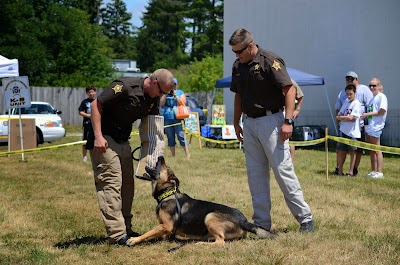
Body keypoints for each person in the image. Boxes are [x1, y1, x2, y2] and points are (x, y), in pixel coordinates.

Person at [229, 28, 314, 233]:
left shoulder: (270, 60)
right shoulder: (238, 66)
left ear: (250, 46)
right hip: (249, 124)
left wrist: (287, 121)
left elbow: (290, 89)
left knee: (283, 172)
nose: (236, 56)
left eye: (239, 52)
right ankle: (261, 224)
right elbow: (238, 95)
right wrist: (236, 122)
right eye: (234, 52)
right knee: (255, 175)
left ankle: (305, 219)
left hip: (272, 121)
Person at [89, 69, 174, 246]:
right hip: (104, 138)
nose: (162, 96)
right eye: (162, 92)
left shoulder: (153, 99)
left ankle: (126, 229)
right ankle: (117, 234)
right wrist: (98, 136)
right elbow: (96, 104)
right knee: (111, 183)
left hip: (122, 139)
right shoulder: (126, 86)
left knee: (127, 184)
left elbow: (153, 127)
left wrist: (153, 156)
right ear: (154, 82)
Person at [334, 71, 373, 176]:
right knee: (341, 149)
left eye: (352, 79)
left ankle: (353, 170)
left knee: (356, 150)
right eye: (348, 79)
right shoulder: (343, 94)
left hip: (359, 127)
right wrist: (339, 120)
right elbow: (339, 110)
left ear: (357, 79)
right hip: (344, 128)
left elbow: (369, 106)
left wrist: (368, 122)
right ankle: (339, 169)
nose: (349, 81)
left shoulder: (364, 90)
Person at [361, 78, 388, 179]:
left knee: (377, 149)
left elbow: (381, 111)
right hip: (369, 127)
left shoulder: (381, 97)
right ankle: (373, 171)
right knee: (371, 150)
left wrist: (367, 114)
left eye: (374, 85)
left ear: (379, 86)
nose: (372, 87)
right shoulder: (372, 98)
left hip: (376, 127)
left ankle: (379, 172)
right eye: (370, 85)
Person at [335, 84, 362, 176]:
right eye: (347, 94)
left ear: (355, 92)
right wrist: (344, 117)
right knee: (341, 151)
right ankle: (340, 170)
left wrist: (342, 117)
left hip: (353, 133)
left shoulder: (357, 104)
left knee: (352, 152)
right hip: (343, 131)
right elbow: (338, 115)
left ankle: (351, 171)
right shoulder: (346, 102)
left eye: (350, 94)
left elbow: (352, 118)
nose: (349, 96)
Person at [160, 78, 190, 158]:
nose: (172, 86)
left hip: (178, 117)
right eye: (171, 85)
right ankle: (173, 155)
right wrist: (166, 94)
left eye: (174, 84)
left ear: (176, 85)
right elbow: (162, 104)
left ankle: (187, 154)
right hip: (167, 117)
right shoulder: (165, 93)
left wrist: (175, 96)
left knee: (181, 135)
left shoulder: (180, 92)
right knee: (170, 137)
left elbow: (183, 103)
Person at [78, 86, 96, 163]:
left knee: (96, 139)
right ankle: (84, 156)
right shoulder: (84, 102)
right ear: (87, 93)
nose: (91, 93)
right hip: (87, 124)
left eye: (92, 92)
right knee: (85, 140)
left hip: (95, 124)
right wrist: (88, 115)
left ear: (95, 92)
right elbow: (80, 112)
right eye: (89, 92)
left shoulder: (97, 101)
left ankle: (95, 156)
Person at [289, 79, 304, 162]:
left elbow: (301, 96)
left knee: (290, 140)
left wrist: (297, 109)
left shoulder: (290, 81)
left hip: (288, 116)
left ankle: (290, 161)